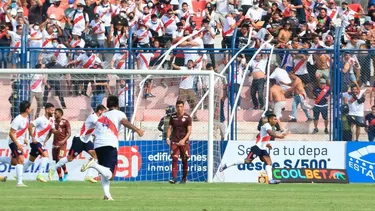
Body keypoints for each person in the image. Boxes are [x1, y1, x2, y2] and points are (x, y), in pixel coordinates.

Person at [80, 96, 144, 200]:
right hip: (110, 144)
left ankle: (107, 195)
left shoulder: (102, 116)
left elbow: (95, 131)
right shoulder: (119, 113)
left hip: (98, 144)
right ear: (118, 105)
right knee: (111, 175)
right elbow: (124, 122)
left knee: (104, 172)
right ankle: (93, 165)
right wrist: (137, 130)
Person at [219, 113, 285, 184]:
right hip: (257, 148)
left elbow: (259, 136)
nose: (276, 121)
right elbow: (270, 134)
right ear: (270, 120)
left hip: (263, 149)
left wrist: (266, 144)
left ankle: (270, 180)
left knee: (269, 162)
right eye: (274, 119)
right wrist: (279, 137)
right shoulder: (267, 125)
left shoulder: (270, 127)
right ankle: (227, 165)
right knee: (247, 161)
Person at [50, 105, 107, 183]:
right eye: (104, 112)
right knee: (69, 158)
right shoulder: (93, 117)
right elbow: (99, 125)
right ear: (100, 111)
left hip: (86, 141)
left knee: (96, 155)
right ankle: (53, 168)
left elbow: (95, 129)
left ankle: (88, 176)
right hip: (79, 139)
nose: (105, 114)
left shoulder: (98, 119)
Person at [24, 103, 57, 182]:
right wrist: (32, 137)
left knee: (31, 161)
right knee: (45, 156)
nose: (53, 112)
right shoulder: (40, 119)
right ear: (46, 110)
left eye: (54, 111)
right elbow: (30, 126)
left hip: (41, 142)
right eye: (52, 110)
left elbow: (52, 131)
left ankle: (18, 174)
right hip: (35, 141)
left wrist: (59, 132)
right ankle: (40, 175)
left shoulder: (52, 120)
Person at [0, 101, 30, 187]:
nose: (31, 109)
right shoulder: (18, 119)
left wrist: (24, 139)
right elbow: (11, 133)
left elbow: (22, 130)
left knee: (14, 162)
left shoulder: (26, 118)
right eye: (30, 107)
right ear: (27, 109)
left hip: (19, 142)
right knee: (21, 159)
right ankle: (19, 182)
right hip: (14, 142)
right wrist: (18, 144)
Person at [167, 100, 192, 184]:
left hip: (184, 142)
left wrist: (183, 140)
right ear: (176, 107)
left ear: (183, 107)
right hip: (175, 141)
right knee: (174, 158)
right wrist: (168, 138)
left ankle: (184, 179)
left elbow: (189, 131)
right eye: (178, 107)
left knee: (184, 160)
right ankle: (174, 178)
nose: (179, 108)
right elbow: (170, 128)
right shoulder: (173, 117)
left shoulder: (187, 117)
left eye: (181, 107)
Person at [52, 108, 71, 182]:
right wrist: (45, 141)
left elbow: (69, 134)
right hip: (55, 144)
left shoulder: (65, 122)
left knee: (60, 158)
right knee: (57, 160)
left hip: (62, 144)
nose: (54, 114)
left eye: (55, 113)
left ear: (60, 114)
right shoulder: (53, 122)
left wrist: (63, 140)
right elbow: (50, 132)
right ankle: (60, 177)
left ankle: (66, 173)